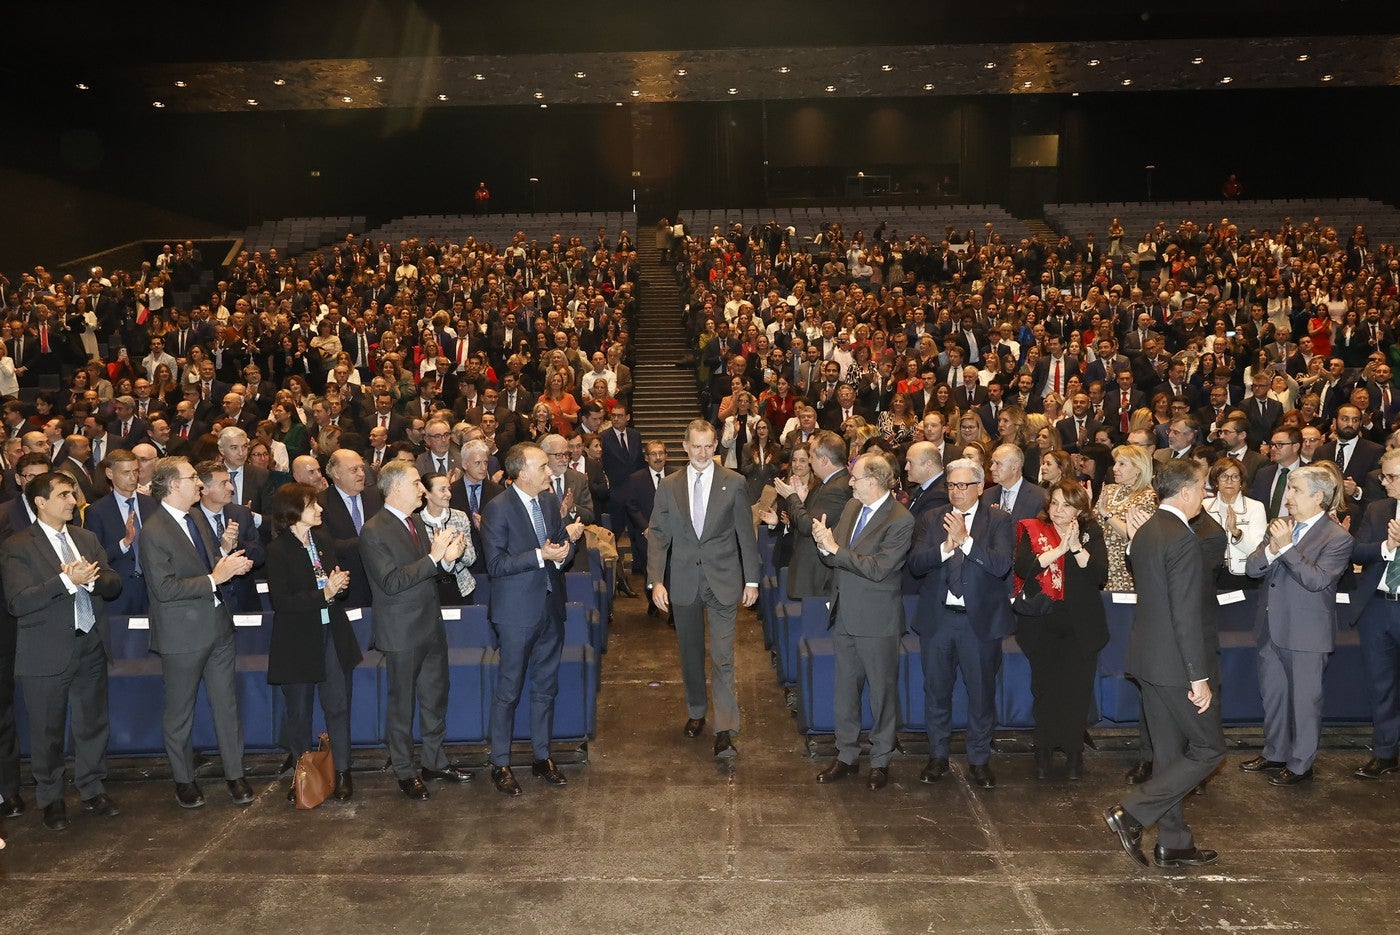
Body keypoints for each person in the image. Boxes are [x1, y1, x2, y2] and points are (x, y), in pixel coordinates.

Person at [1105, 458, 1225, 869]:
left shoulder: (1146, 532)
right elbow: (1185, 616)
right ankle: (1132, 812)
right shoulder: (1183, 539)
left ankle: (1173, 842)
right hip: (1177, 665)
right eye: (1204, 488)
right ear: (1187, 491)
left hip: (1147, 660)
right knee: (1210, 748)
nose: (1205, 496)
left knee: (1170, 756)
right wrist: (1200, 677)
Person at [0, 473, 122, 831]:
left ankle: (92, 787)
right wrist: (69, 581)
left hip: (90, 644)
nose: (73, 500)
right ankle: (50, 797)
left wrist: (95, 578)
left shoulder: (86, 537)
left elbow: (113, 584)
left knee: (92, 723)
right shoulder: (18, 545)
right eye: (64, 495)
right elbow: (18, 602)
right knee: (47, 730)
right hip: (45, 651)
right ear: (40, 501)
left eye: (73, 494)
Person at [141, 456, 257, 809]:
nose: (200, 483)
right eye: (193, 478)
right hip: (181, 635)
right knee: (180, 712)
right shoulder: (154, 530)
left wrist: (223, 554)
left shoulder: (194, 518)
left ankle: (235, 774)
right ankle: (183, 779)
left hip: (217, 626)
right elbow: (164, 589)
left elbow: (203, 566)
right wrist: (215, 578)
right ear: (173, 485)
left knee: (227, 705)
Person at [647, 419, 760, 760]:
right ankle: (697, 709)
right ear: (685, 447)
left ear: (716, 446)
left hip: (724, 580)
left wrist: (751, 580)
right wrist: (656, 580)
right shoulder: (668, 486)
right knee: (690, 654)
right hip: (682, 582)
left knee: (723, 657)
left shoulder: (734, 483)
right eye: (696, 446)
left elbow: (745, 533)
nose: (702, 452)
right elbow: (658, 533)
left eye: (709, 446)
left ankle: (725, 730)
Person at [359, 460, 471, 800]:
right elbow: (392, 582)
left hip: (429, 625)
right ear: (395, 489)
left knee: (435, 698)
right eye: (415, 484)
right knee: (402, 705)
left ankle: (434, 761)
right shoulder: (374, 530)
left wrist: (448, 558)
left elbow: (428, 570)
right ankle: (405, 770)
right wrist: (435, 558)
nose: (421, 489)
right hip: (401, 632)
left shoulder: (414, 523)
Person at [480, 442, 581, 796]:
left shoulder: (551, 503)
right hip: (515, 615)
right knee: (508, 691)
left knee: (545, 688)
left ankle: (542, 757)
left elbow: (560, 555)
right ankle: (500, 762)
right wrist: (541, 555)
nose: (550, 471)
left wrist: (567, 548)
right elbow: (495, 566)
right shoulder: (498, 509)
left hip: (551, 609)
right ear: (522, 472)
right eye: (542, 465)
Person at [906, 457, 1014, 788]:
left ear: (980, 488)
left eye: (963, 485)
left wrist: (966, 541)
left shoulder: (998, 520)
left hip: (978, 624)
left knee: (981, 694)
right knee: (936, 691)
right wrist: (944, 547)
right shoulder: (930, 518)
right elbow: (916, 564)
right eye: (951, 485)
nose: (956, 492)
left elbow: (1000, 566)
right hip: (939, 621)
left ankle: (979, 760)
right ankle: (937, 756)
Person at [1243, 464, 1354, 785]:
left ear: (1318, 497)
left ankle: (1301, 764)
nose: (1288, 496)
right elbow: (1252, 568)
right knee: (1273, 695)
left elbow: (1317, 580)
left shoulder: (1337, 537)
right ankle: (1275, 752)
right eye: (1289, 489)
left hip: (1307, 633)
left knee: (1306, 701)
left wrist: (1287, 548)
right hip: (1270, 628)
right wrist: (1273, 547)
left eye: (1295, 491)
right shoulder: (1281, 526)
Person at [811, 452, 915, 790]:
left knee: (881, 694)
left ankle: (881, 759)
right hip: (845, 614)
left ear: (873, 481)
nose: (850, 482)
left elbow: (879, 568)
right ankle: (847, 755)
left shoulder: (900, 520)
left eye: (855, 478)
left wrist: (835, 550)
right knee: (845, 692)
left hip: (877, 621)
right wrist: (824, 546)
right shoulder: (853, 507)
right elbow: (837, 555)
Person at [264, 483, 361, 804]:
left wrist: (338, 586)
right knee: (300, 712)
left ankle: (344, 772)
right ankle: (302, 774)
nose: (320, 510)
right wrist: (325, 593)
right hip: (297, 640)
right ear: (292, 512)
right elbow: (282, 601)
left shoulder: (322, 540)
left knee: (338, 706)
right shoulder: (278, 551)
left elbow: (334, 586)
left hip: (332, 633)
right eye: (312, 505)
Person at [1014, 479, 1109, 779]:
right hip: (1042, 622)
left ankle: (1073, 755)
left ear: (1080, 509)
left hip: (1080, 625)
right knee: (1045, 690)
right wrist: (1059, 549)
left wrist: (1077, 547)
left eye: (1066, 505)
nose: (1057, 510)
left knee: (1076, 691)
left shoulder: (1091, 532)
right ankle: (1042, 753)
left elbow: (1098, 575)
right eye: (1054, 503)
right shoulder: (1033, 529)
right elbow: (1023, 568)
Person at [1347, 448, 1400, 780]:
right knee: (1381, 685)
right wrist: (1387, 548)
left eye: (1392, 477)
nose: (1385, 482)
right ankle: (1384, 752)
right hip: (1378, 608)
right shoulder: (1379, 509)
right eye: (1384, 475)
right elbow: (1356, 550)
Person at [773, 431, 849, 600]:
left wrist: (791, 497)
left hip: (818, 574)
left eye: (811, 457)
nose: (809, 461)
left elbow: (808, 526)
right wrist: (801, 500)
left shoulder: (836, 488)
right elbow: (809, 515)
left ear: (824, 460)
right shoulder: (827, 483)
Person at [82, 449, 157, 616]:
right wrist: (124, 543)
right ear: (110, 473)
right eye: (126, 473)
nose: (133, 478)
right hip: (119, 595)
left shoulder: (152, 505)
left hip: (152, 591)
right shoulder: (97, 511)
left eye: (135, 472)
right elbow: (94, 559)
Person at [1094, 444, 1157, 592]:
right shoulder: (1109, 489)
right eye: (1115, 463)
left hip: (1124, 570)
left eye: (1122, 464)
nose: (1115, 468)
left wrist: (1107, 514)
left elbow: (1133, 534)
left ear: (1138, 469)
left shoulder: (1148, 497)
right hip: (1099, 564)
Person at [1201, 458, 1267, 589]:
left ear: (1241, 482)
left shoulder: (1255, 507)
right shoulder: (1204, 506)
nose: (1229, 481)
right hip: (1210, 576)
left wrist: (1236, 533)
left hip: (1243, 576)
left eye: (1235, 477)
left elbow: (1259, 551)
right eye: (1224, 476)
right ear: (1215, 481)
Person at [420, 472, 477, 605]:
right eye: (442, 490)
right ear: (426, 494)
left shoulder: (460, 516)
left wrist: (460, 551)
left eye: (449, 489)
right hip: (429, 592)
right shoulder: (417, 522)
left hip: (462, 589)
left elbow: (471, 559)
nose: (448, 494)